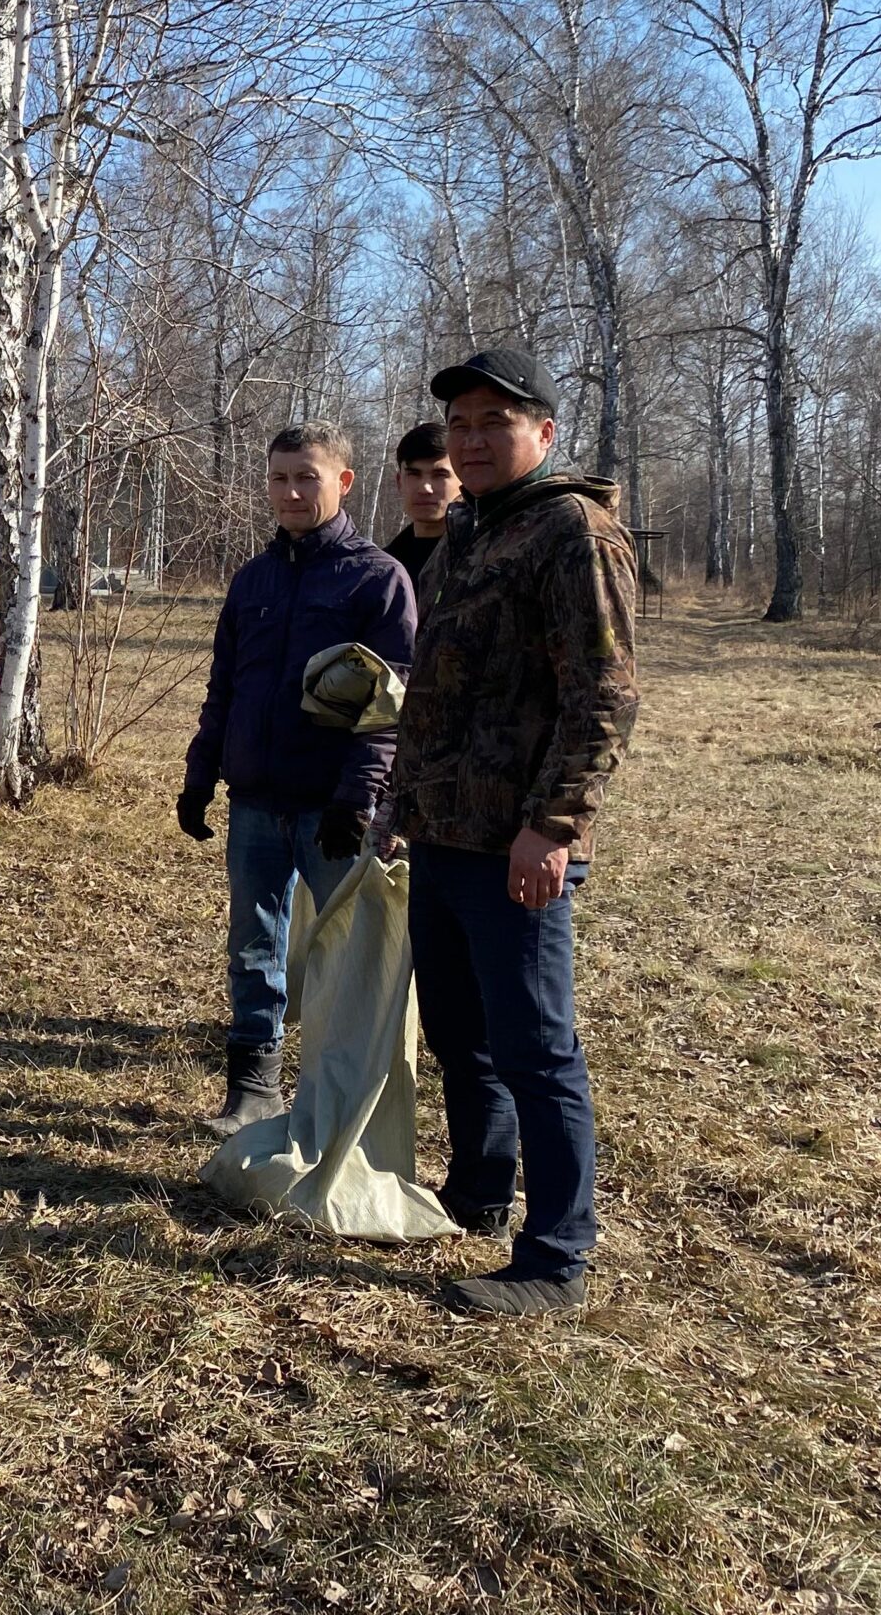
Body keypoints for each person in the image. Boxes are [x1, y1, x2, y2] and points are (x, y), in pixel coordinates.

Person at [382, 348, 639, 1318]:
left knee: (536, 1049)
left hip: (515, 846)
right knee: (460, 1035)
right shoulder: (466, 533)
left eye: (496, 420)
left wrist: (553, 825)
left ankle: (556, 1258)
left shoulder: (572, 532)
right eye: (460, 423)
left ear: (544, 432)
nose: (473, 439)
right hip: (443, 832)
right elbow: (434, 693)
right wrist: (399, 807)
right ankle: (478, 1192)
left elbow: (603, 695)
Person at [178, 422, 417, 1138]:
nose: (290, 492)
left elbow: (390, 704)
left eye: (306, 477)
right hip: (256, 803)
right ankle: (253, 1091)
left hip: (331, 809)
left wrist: (358, 796)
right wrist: (200, 773)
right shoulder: (253, 579)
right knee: (253, 949)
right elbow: (225, 686)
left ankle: (337, 1103)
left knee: (344, 960)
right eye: (279, 478)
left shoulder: (377, 580)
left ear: (343, 482)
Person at [384, 421, 459, 589]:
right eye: (414, 474)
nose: (425, 488)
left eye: (440, 475)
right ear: (399, 481)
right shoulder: (383, 567)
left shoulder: (482, 559)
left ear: (463, 480)